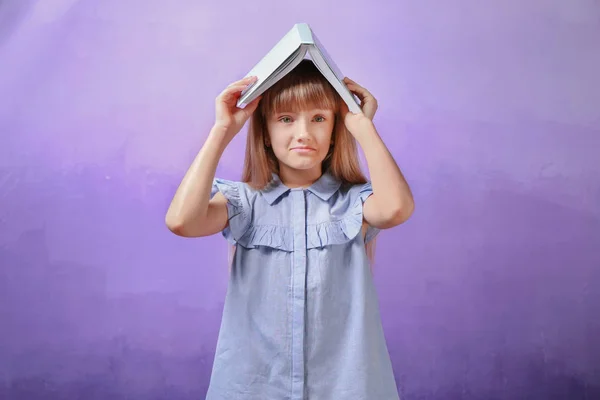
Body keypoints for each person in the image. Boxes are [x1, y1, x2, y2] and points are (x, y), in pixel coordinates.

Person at [165, 60, 414, 400]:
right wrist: (222, 130)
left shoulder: (355, 202)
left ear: (334, 130)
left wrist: (362, 126)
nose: (303, 133)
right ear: (265, 134)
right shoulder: (243, 201)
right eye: (285, 119)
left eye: (319, 119)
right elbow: (182, 221)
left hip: (345, 387)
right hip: (254, 386)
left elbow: (396, 209)